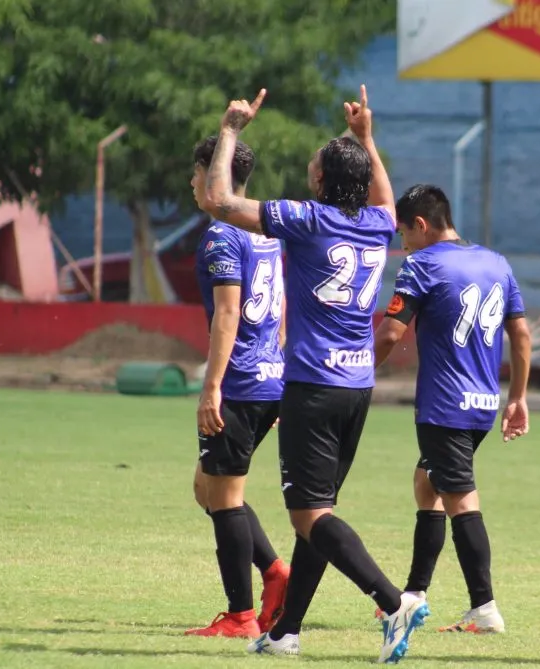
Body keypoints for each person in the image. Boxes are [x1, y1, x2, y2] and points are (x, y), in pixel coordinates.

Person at [202, 86, 429, 664]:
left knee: (310, 515)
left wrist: (230, 130)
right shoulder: (382, 224)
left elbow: (221, 201)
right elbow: (382, 194)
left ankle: (391, 600)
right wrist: (366, 139)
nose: (309, 166)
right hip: (357, 388)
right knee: (317, 513)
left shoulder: (305, 219)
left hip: (311, 386)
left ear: (323, 181)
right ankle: (286, 632)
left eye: (315, 163)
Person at [372, 184, 531, 633]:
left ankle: (484, 607)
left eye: (403, 234)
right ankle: (414, 594)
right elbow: (520, 335)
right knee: (428, 483)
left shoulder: (422, 264)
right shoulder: (495, 262)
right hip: (482, 403)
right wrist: (517, 396)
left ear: (420, 226)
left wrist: (357, 373)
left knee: (460, 499)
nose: (403, 245)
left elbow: (389, 334)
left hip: (444, 408)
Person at [184, 135, 290, 638]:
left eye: (195, 172)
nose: (191, 183)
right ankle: (273, 571)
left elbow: (228, 312)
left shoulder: (222, 235)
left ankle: (241, 616)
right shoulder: (265, 232)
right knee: (207, 487)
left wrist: (212, 387)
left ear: (212, 174)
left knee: (224, 496)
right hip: (269, 379)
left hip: (241, 384)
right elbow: (282, 310)